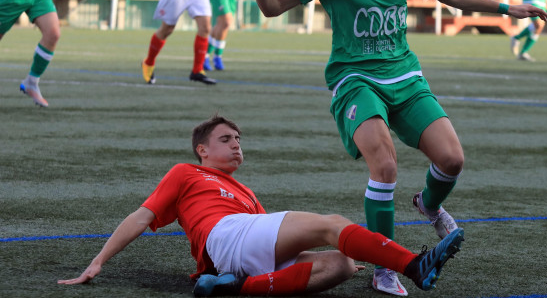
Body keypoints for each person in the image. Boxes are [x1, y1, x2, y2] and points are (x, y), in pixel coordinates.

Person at [247, 0, 547, 296]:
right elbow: (273, 6)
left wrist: (506, 8)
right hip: (355, 78)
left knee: (452, 160)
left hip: (404, 76)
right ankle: (384, 267)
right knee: (384, 167)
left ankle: (428, 204)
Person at [57, 115, 465, 296]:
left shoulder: (247, 192)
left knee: (339, 262)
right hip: (225, 237)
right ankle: (413, 265)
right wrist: (98, 261)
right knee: (332, 224)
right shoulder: (186, 173)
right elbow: (141, 216)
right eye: (226, 139)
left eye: (238, 139)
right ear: (202, 149)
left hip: (237, 252)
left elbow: (268, 245)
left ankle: (234, 287)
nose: (236, 145)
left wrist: (346, 254)